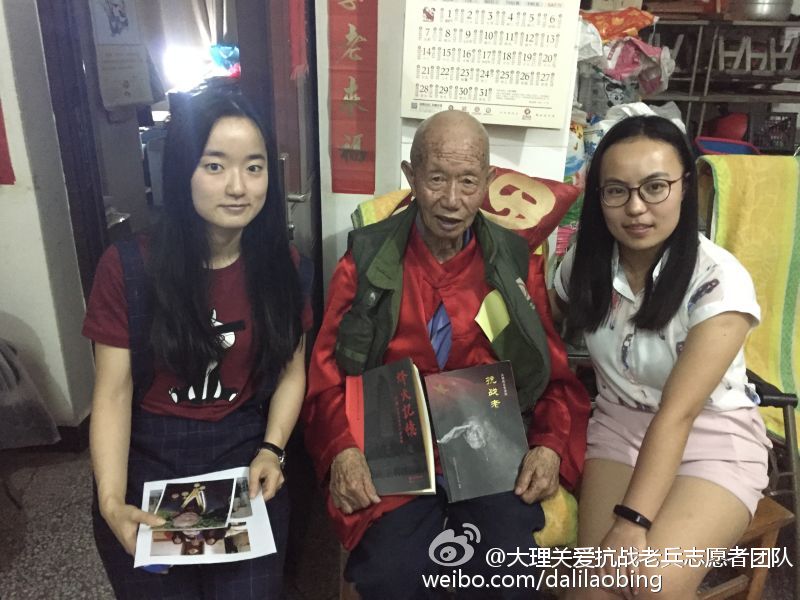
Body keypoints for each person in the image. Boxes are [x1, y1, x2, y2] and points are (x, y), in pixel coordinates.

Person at [303, 110, 590, 599]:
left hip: (488, 451)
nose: (452, 200)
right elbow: (326, 375)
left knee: (508, 570)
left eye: (468, 181)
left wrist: (549, 445)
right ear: (411, 177)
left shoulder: (513, 262)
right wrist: (343, 452)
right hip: (395, 453)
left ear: (487, 183)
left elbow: (554, 376)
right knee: (392, 575)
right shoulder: (366, 261)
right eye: (436, 179)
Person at [82, 90, 312, 599]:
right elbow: (113, 393)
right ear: (181, 170)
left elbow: (292, 370)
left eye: (254, 168)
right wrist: (112, 501)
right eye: (214, 166)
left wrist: (273, 449)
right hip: (149, 456)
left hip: (242, 450)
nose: (238, 186)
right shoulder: (128, 268)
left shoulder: (283, 266)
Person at [551, 115, 770, 599]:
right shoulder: (585, 263)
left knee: (652, 585)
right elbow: (544, 320)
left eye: (655, 187)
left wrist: (631, 522)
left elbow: (679, 413)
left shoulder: (718, 282)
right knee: (593, 590)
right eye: (616, 191)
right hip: (620, 429)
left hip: (711, 438)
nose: (635, 208)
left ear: (685, 186)